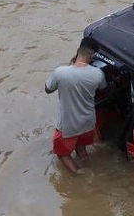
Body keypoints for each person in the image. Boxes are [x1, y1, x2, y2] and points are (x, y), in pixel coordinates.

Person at [45, 37, 107, 174]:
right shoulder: (98, 74)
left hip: (68, 125)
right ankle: (89, 168)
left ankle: (80, 176)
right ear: (92, 56)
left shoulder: (61, 72)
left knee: (62, 154)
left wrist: (68, 66)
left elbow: (47, 89)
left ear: (78, 51)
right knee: (81, 148)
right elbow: (103, 87)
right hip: (88, 123)